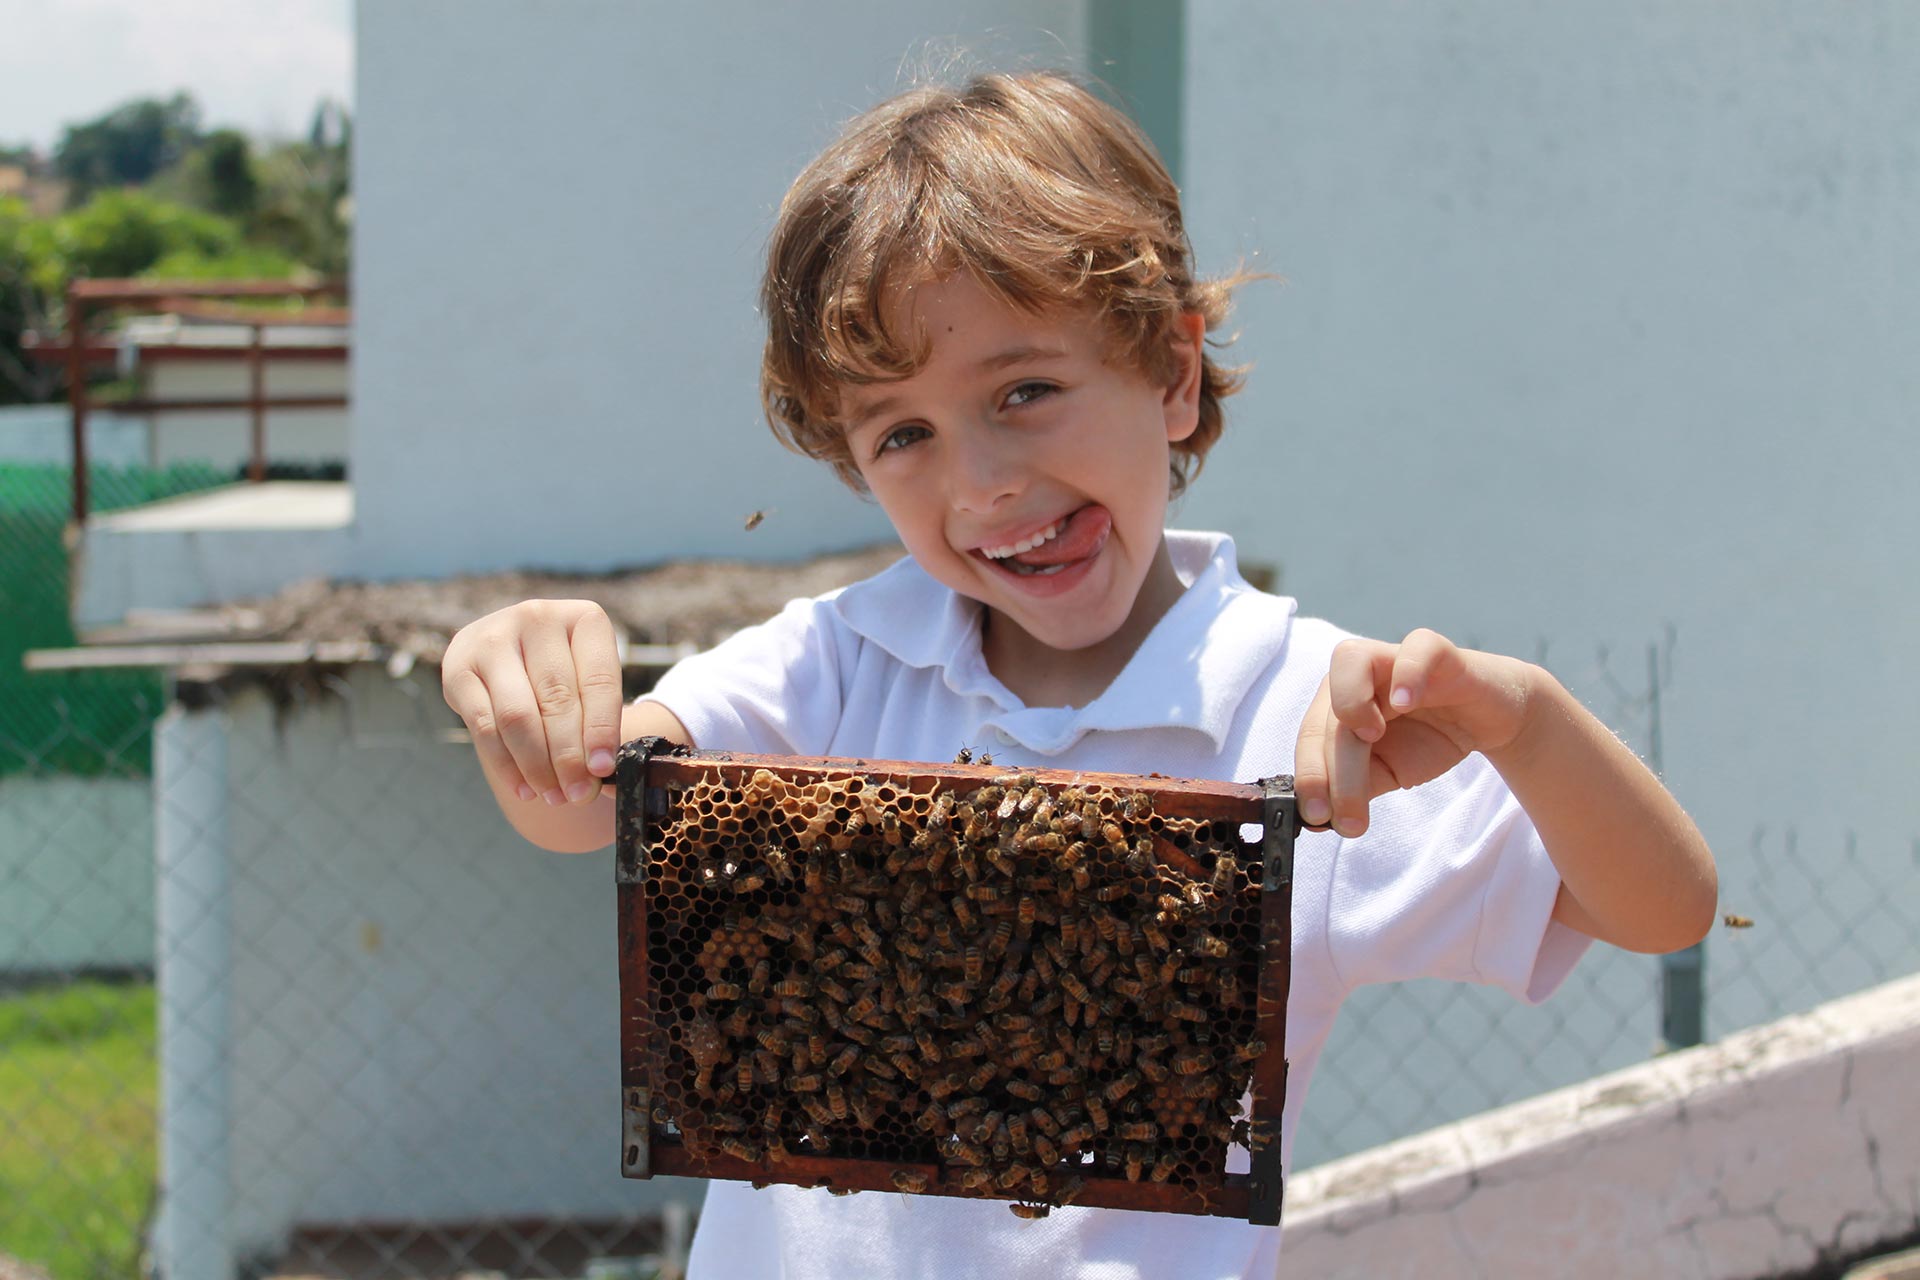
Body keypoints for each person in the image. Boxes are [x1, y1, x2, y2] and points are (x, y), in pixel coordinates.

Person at [441, 69, 1716, 1279]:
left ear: (1171, 372)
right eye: (903, 432)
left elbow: (1662, 907)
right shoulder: (836, 663)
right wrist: (524, 686)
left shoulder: (1309, 714)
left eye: (1027, 390)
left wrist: (1525, 723)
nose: (983, 484)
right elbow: (592, 806)